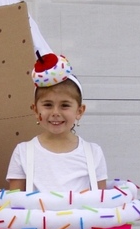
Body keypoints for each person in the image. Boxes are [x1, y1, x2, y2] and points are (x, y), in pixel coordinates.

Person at [7, 53, 107, 193]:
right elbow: (14, 203)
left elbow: (102, 204)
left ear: (79, 111)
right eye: (48, 105)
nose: (55, 112)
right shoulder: (23, 152)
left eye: (65, 105)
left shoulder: (93, 153)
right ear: (35, 110)